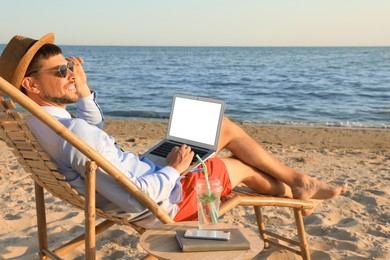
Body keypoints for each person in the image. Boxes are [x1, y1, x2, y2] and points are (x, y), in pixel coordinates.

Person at [0, 33, 347, 227]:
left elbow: (89, 138)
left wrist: (84, 92)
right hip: (163, 200)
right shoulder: (73, 134)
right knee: (239, 167)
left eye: (69, 67)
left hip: (142, 173)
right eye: (61, 72)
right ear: (30, 84)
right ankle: (297, 191)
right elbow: (139, 197)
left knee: (218, 130)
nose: (70, 75)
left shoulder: (38, 124)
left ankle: (298, 187)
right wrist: (174, 168)